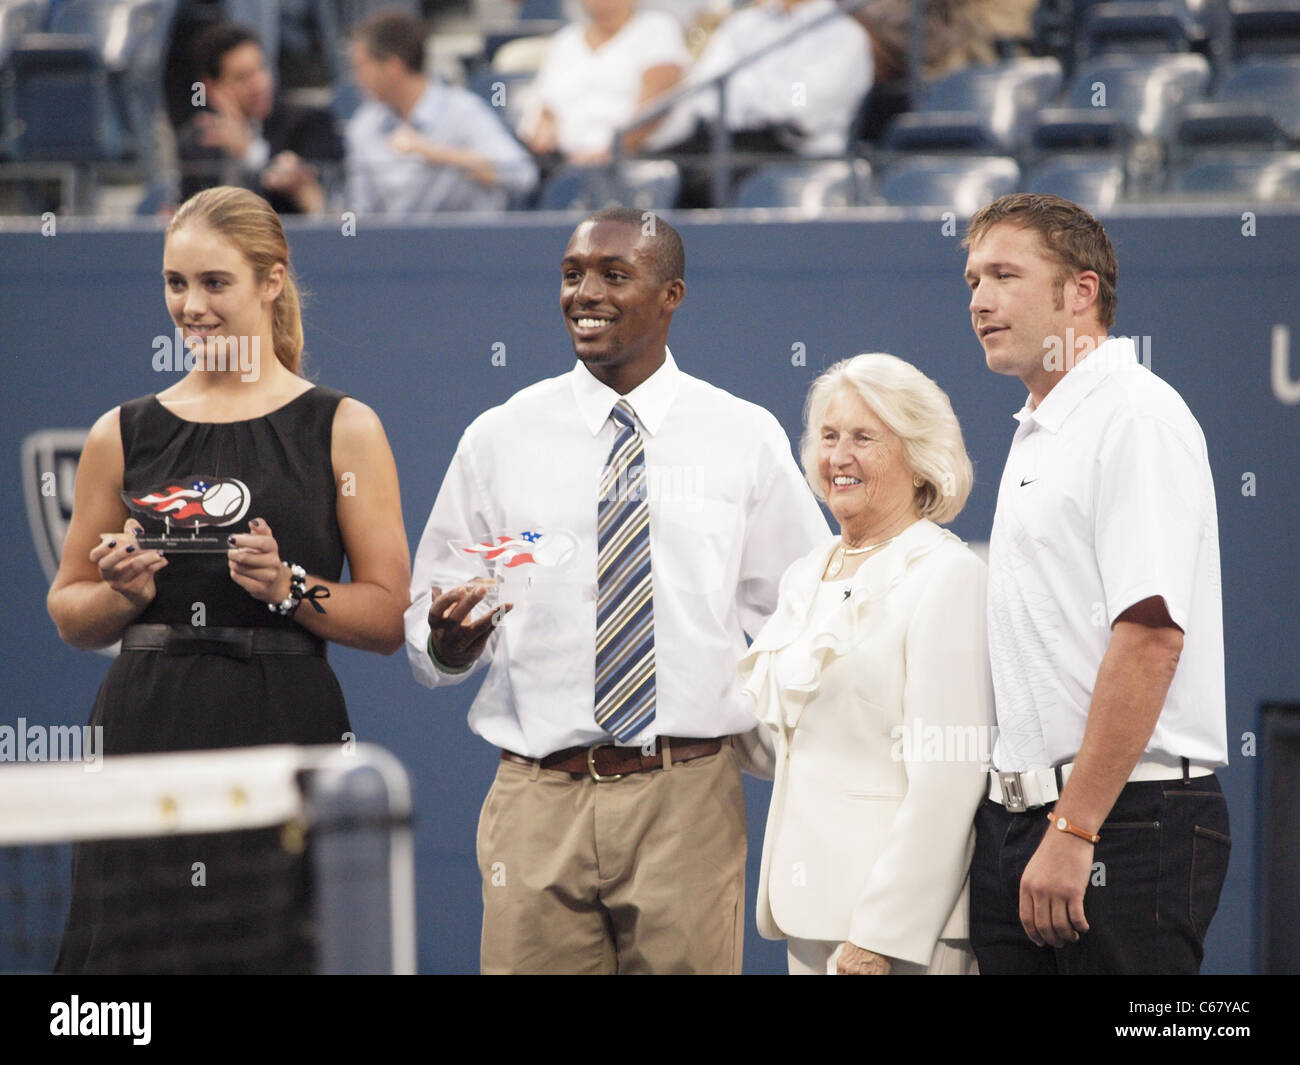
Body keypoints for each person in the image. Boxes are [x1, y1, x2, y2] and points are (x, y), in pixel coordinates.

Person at [404, 206, 829, 974]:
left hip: (687, 795)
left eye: (612, 274)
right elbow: (428, 617)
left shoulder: (743, 435)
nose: (584, 292)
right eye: (571, 275)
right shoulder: (499, 436)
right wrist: (445, 641)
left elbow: (805, 614)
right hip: (536, 799)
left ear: (671, 295)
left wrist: (774, 746)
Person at [46, 185, 410, 973]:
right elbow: (71, 611)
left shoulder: (344, 426)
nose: (191, 306)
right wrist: (121, 594)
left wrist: (289, 587)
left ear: (271, 281)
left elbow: (387, 617)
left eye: (215, 283)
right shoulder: (123, 431)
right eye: (176, 283)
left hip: (284, 729)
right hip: (144, 734)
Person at [963, 193, 1230, 974]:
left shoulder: (1135, 415)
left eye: (1006, 274)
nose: (980, 299)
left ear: (1081, 291)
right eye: (973, 279)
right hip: (1023, 823)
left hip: (1126, 820)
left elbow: (1150, 637)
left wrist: (1075, 828)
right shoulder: (1043, 422)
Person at [738, 353, 991, 975]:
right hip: (808, 917)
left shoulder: (946, 576)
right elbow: (784, 745)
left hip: (897, 938)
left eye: (863, 437)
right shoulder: (808, 572)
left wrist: (879, 936)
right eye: (828, 436)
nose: (838, 457)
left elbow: (949, 780)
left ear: (919, 455)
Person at [647, 0, 872, 204]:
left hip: (794, 150)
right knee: (644, 171)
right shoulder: (742, 24)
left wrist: (747, 89)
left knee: (710, 181)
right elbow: (705, 92)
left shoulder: (843, 35)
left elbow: (800, 104)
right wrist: (769, 92)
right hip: (722, 139)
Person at [345, 10, 538, 215]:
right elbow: (361, 211)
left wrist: (434, 153)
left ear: (393, 66)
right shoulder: (363, 126)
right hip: (392, 245)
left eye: (361, 66)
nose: (356, 78)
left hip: (467, 243)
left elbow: (522, 175)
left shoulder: (464, 112)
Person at [177, 23, 344, 215]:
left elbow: (318, 206)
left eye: (261, 68)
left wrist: (250, 152)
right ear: (212, 88)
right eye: (242, 77)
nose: (259, 84)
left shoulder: (310, 123)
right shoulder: (197, 141)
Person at [518, 0, 689, 165]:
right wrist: (543, 128)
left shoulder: (657, 27)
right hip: (564, 163)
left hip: (634, 162)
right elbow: (545, 104)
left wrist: (610, 152)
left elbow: (655, 107)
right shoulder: (566, 39)